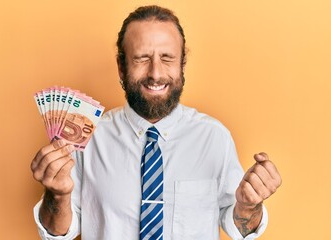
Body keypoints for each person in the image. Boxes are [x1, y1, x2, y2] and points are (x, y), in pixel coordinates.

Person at [31, 5, 281, 240]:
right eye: (141, 58)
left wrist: (249, 207)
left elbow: (238, 226)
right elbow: (57, 233)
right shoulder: (87, 140)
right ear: (121, 67)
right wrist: (57, 195)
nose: (156, 73)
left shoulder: (215, 138)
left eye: (167, 58)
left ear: (182, 64)